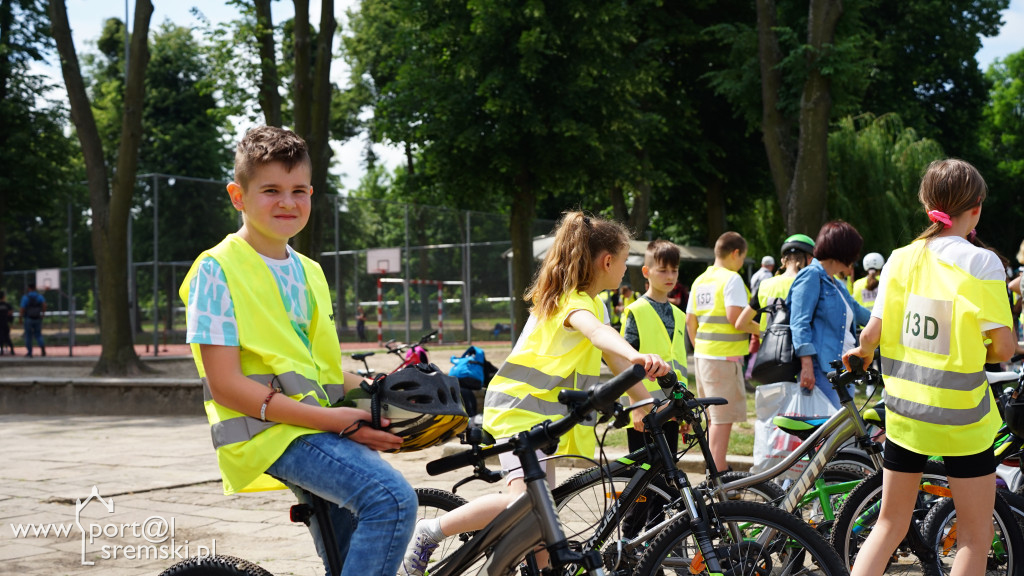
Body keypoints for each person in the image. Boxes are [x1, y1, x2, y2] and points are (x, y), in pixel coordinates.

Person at [178, 126, 416, 576]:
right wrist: (337, 422)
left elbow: (321, 369)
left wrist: (382, 394)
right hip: (268, 433)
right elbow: (226, 386)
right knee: (390, 500)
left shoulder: (310, 271)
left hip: (315, 425)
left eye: (298, 190)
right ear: (238, 196)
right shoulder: (216, 270)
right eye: (270, 190)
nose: (287, 202)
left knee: (349, 554)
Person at [398, 211, 669, 576]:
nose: (625, 270)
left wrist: (642, 398)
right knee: (526, 502)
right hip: (518, 410)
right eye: (624, 262)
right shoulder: (572, 302)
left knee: (543, 516)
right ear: (607, 262)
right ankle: (430, 531)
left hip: (537, 415)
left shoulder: (593, 302)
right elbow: (599, 336)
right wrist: (637, 354)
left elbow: (612, 356)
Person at [844, 158, 1013, 576]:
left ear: (927, 207)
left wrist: (862, 356)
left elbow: (871, 337)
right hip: (962, 420)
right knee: (976, 535)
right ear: (976, 209)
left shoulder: (900, 259)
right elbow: (1004, 348)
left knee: (888, 523)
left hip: (905, 413)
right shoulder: (983, 262)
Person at [619, 239, 689, 536]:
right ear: (646, 272)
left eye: (674, 269)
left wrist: (684, 408)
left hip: (671, 410)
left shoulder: (680, 315)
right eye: (662, 270)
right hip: (644, 411)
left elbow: (681, 366)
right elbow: (625, 362)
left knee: (665, 477)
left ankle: (653, 545)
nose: (670, 276)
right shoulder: (635, 310)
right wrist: (637, 406)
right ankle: (630, 533)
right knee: (646, 479)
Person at [685, 231, 750, 473]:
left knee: (713, 418)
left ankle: (715, 470)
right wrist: (763, 329)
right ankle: (719, 474)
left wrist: (701, 347)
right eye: (743, 257)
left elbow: (690, 322)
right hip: (724, 357)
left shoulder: (700, 280)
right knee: (722, 420)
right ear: (735, 253)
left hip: (703, 356)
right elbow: (736, 319)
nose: (742, 263)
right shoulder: (731, 279)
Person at [789, 221, 871, 408]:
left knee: (844, 432)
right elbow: (799, 322)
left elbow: (860, 313)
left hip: (844, 369)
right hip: (822, 370)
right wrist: (807, 366)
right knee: (831, 433)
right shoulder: (811, 275)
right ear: (843, 252)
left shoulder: (838, 284)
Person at [735, 234, 816, 340]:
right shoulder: (813, 286)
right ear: (810, 260)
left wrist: (769, 333)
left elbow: (741, 324)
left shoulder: (765, 285)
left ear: (783, 260)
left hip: (769, 353)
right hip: (802, 354)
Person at [20, 284, 46, 357]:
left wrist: (20, 318)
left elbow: (22, 309)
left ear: (29, 289)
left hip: (28, 318)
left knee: (28, 335)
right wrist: (43, 314)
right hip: (37, 318)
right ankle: (42, 348)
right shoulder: (39, 296)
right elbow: (44, 305)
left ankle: (30, 352)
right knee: (38, 334)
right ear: (35, 288)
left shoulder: (25, 297)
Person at [0, 290, 15, 355]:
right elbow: (11, 313)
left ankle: (2, 350)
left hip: (2, 323)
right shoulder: (7, 305)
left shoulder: (7, 304)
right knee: (6, 337)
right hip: (5, 323)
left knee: (1, 337)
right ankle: (11, 349)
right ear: (4, 297)